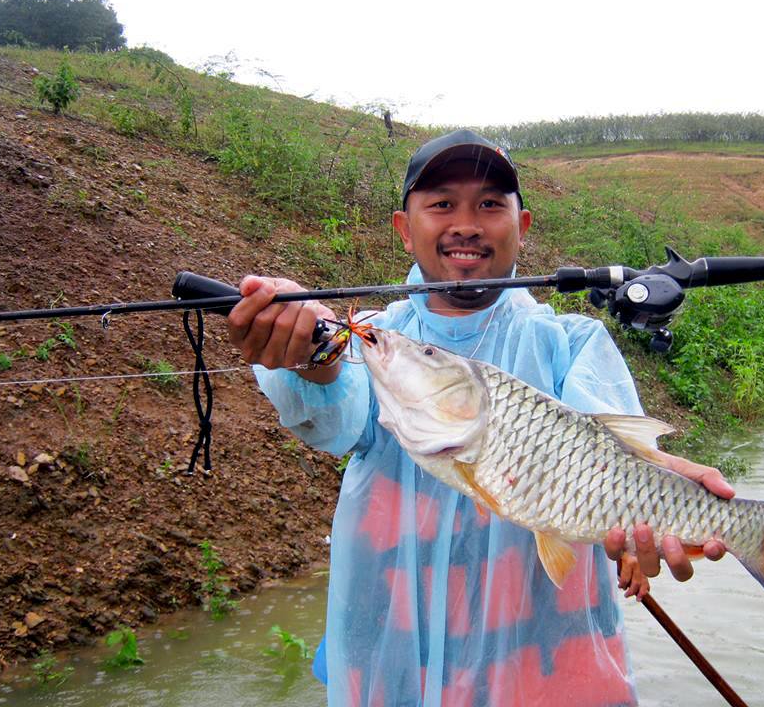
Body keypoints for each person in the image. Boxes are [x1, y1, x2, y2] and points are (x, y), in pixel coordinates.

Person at [228, 130, 733, 707]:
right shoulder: (378, 340)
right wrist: (306, 353)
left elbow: (612, 459)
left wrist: (649, 501)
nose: (466, 223)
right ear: (404, 228)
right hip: (398, 662)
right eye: (441, 203)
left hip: (543, 668)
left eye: (491, 205)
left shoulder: (572, 343)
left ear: (522, 226)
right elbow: (335, 414)